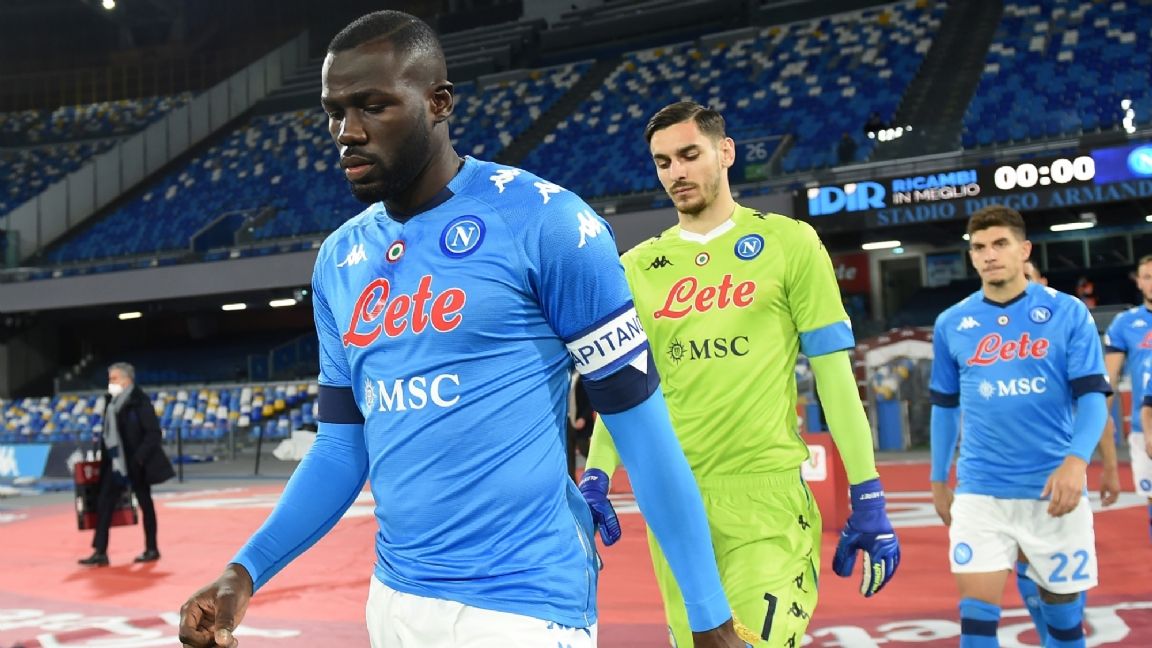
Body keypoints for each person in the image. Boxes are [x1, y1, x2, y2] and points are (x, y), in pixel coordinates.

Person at [178, 12, 750, 648]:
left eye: (372, 106)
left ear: (439, 102)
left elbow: (644, 435)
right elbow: (341, 448)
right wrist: (244, 572)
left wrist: (708, 618)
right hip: (393, 602)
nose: (347, 132)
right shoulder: (339, 259)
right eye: (334, 112)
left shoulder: (549, 223)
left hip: (523, 608)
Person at [579, 101, 900, 648]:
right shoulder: (635, 267)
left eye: (689, 155)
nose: (676, 172)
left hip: (766, 496)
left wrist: (867, 491)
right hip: (673, 500)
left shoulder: (791, 243)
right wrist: (596, 475)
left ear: (726, 152)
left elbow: (835, 377)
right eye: (663, 162)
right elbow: (626, 389)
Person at [930, 205, 1110, 648]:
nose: (989, 255)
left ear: (1024, 250)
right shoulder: (951, 323)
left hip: (1052, 491)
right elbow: (945, 408)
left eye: (1000, 244)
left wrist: (1076, 462)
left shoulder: (1068, 313)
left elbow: (1093, 398)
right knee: (975, 623)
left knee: (1064, 626)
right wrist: (937, 478)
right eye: (979, 247)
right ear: (971, 256)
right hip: (980, 491)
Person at [1012, 258, 1118, 645]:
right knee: (1024, 559)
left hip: (1063, 469)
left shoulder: (1068, 330)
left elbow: (1096, 407)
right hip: (1012, 473)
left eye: (1026, 277)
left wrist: (1109, 467)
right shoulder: (993, 342)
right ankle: (1049, 636)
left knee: (1064, 566)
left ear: (1042, 281)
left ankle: (1062, 633)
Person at [78, 362, 174, 567]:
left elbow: (153, 434)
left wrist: (139, 458)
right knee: (104, 504)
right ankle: (100, 552)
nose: (110, 383)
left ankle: (152, 548)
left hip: (136, 463)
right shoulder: (111, 402)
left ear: (126, 379)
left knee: (145, 504)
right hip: (115, 463)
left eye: (113, 379)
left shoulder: (140, 401)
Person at [1104, 255, 1152, 540]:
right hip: (1144, 426)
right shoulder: (1125, 323)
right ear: (1138, 282)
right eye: (1147, 276)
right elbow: (1109, 380)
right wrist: (1100, 422)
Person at [567, 370, 595, 481]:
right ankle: (573, 485)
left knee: (584, 449)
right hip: (567, 420)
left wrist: (583, 417)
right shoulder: (564, 377)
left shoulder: (585, 376)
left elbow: (591, 400)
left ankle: (599, 473)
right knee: (569, 455)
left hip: (581, 421)